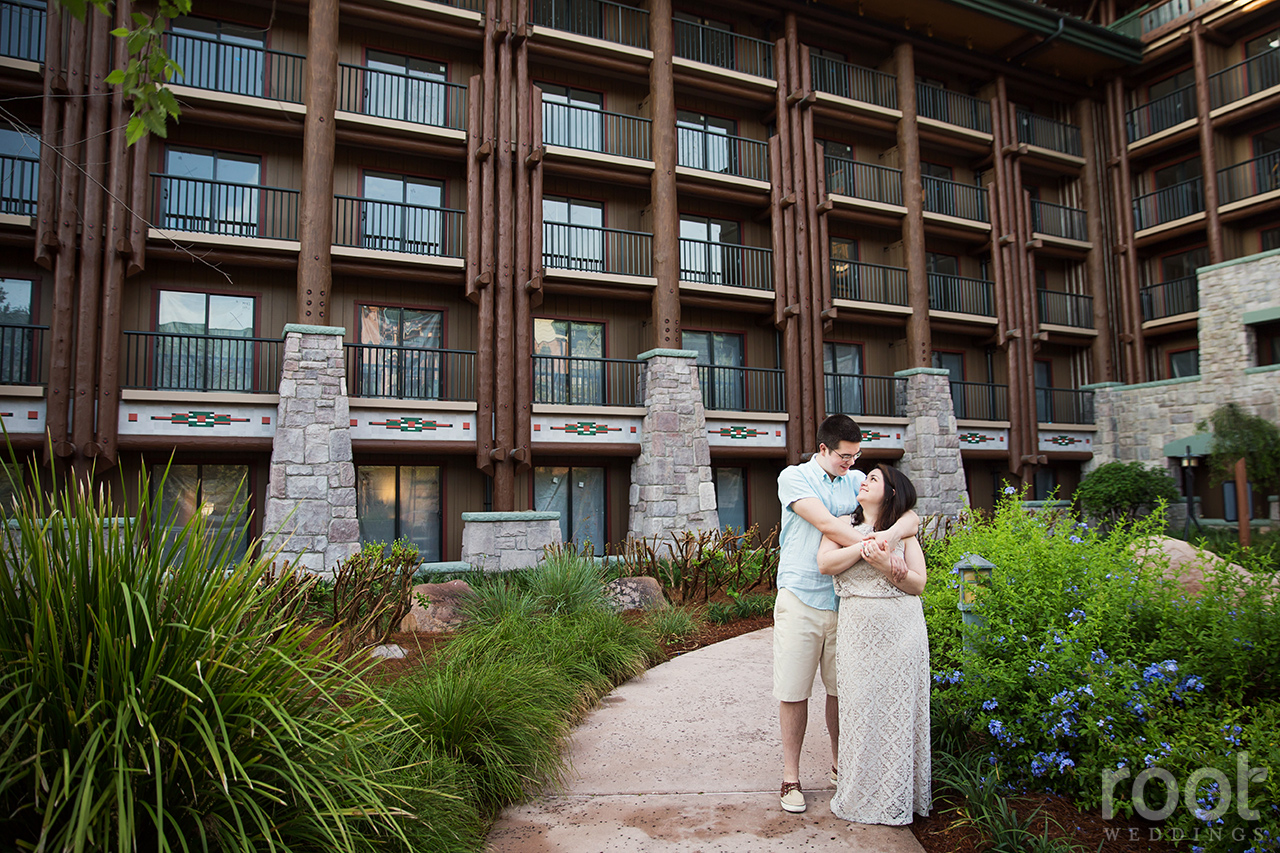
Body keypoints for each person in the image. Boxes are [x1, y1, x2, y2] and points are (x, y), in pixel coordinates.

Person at [774, 415, 919, 814]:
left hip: (848, 605)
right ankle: (791, 777)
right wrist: (882, 552)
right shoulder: (794, 478)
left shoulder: (857, 480)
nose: (851, 464)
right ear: (823, 449)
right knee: (794, 689)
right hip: (802, 595)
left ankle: (843, 768)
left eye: (857, 457)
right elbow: (825, 524)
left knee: (843, 691)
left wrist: (888, 537)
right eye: (844, 456)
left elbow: (910, 514)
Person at [818, 464, 931, 826]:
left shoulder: (905, 530)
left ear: (891, 492)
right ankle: (860, 795)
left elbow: (917, 584)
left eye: (873, 479)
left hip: (902, 631)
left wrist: (885, 564)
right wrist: (868, 546)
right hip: (858, 631)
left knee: (897, 712)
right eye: (865, 477)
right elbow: (825, 563)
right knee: (861, 709)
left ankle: (897, 796)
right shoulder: (841, 524)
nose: (863, 481)